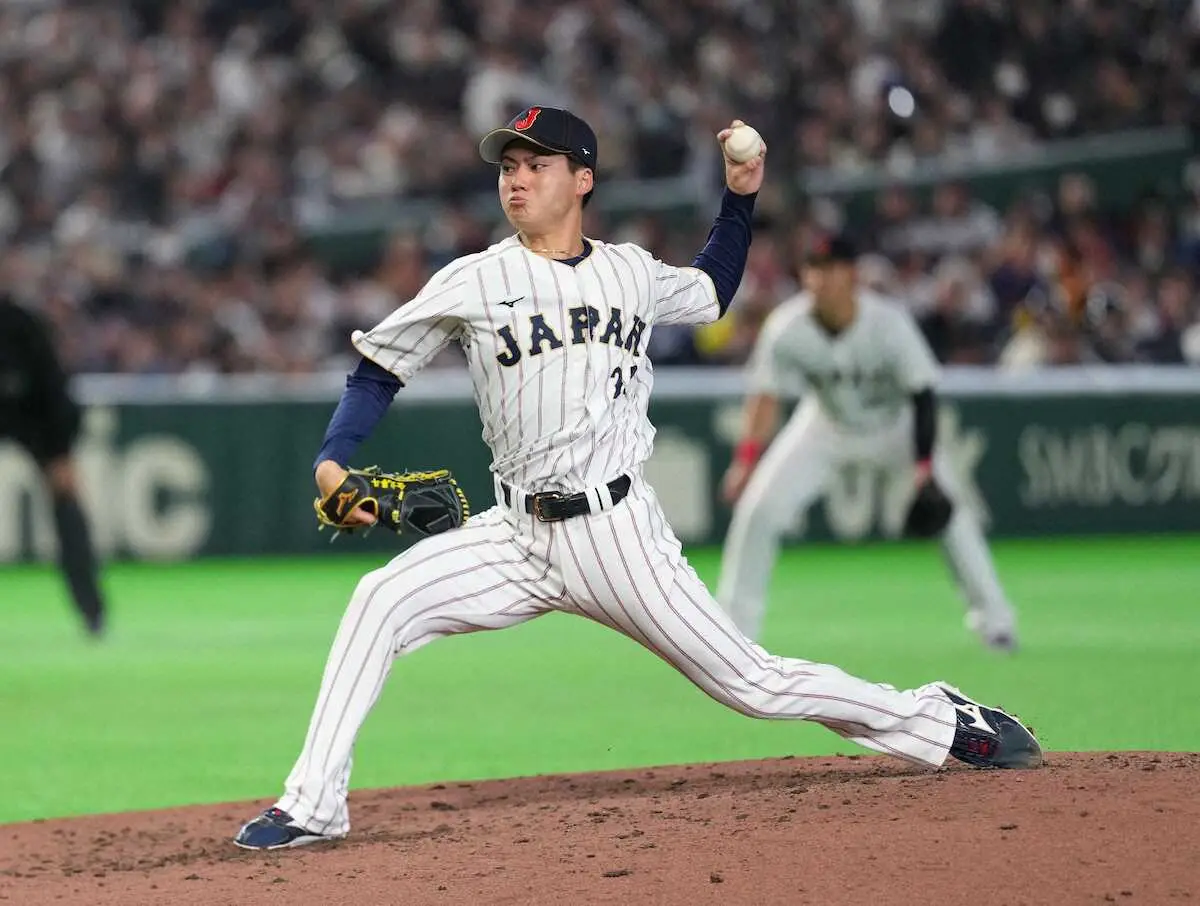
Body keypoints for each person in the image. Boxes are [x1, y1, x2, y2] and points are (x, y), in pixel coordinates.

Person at [233, 108, 1041, 851]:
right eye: (507, 166)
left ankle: (936, 720)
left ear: (582, 179)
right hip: (515, 533)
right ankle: (313, 805)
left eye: (535, 164)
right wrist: (333, 458)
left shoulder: (629, 273)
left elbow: (714, 289)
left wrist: (741, 198)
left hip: (617, 534)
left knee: (752, 684)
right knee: (380, 599)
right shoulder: (473, 279)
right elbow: (377, 369)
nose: (515, 178)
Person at [716, 234, 1017, 651]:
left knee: (952, 513)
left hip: (897, 428)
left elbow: (923, 395)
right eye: (813, 268)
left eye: (831, 267)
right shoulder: (788, 327)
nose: (821, 278)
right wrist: (745, 460)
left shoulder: (888, 323)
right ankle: (733, 631)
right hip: (826, 426)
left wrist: (925, 470)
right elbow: (765, 396)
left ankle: (996, 622)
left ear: (851, 274)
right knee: (759, 510)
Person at [0, 296, 107, 637]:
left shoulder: (18, 325)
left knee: (67, 504)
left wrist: (60, 452)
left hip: (34, 419)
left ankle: (91, 610)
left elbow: (52, 390)